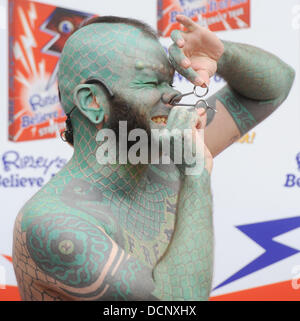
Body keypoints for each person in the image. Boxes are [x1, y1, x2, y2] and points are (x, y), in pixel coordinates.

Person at [12, 15, 295, 301]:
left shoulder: (164, 159)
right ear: (93, 102)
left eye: (169, 82)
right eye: (151, 82)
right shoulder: (53, 223)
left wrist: (222, 54)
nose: (172, 94)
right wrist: (195, 176)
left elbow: (272, 88)